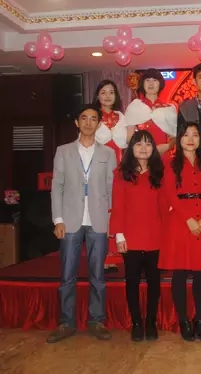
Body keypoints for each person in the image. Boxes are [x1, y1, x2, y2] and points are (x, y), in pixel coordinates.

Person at [47, 104, 117, 343]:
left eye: (93, 119)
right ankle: (66, 323)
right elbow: (57, 186)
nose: (88, 122)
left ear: (99, 123)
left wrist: (112, 220)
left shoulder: (108, 153)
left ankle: (96, 320)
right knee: (67, 274)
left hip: (99, 220)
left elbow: (112, 189)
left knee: (98, 275)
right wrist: (58, 219)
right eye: (84, 118)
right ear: (77, 123)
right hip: (70, 220)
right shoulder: (63, 151)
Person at [160, 122, 201, 341]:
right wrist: (187, 219)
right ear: (179, 139)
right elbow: (170, 194)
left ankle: (199, 320)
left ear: (200, 139)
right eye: (186, 135)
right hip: (180, 221)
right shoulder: (171, 163)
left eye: (195, 135)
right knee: (179, 273)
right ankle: (183, 320)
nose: (190, 139)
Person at [109, 130, 165, 342]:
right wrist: (119, 235)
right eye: (139, 144)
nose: (143, 148)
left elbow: (165, 206)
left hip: (156, 236)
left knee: (154, 282)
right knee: (131, 282)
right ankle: (136, 322)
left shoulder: (160, 173)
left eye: (148, 144)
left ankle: (150, 322)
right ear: (131, 148)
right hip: (130, 237)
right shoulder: (121, 173)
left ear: (153, 149)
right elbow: (118, 206)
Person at [92, 79, 127, 268]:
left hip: (119, 167)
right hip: (98, 168)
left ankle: (115, 255)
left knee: (117, 209)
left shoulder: (121, 116)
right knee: (100, 211)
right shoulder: (92, 116)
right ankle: (101, 256)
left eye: (111, 92)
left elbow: (126, 142)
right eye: (103, 92)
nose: (107, 96)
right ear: (97, 95)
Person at [124, 68, 176, 156]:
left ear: (160, 84)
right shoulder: (135, 106)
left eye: (154, 80)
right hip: (140, 155)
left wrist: (167, 146)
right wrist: (142, 149)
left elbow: (175, 136)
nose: (151, 83)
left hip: (162, 154)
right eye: (147, 80)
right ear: (142, 84)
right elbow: (129, 138)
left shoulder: (168, 108)